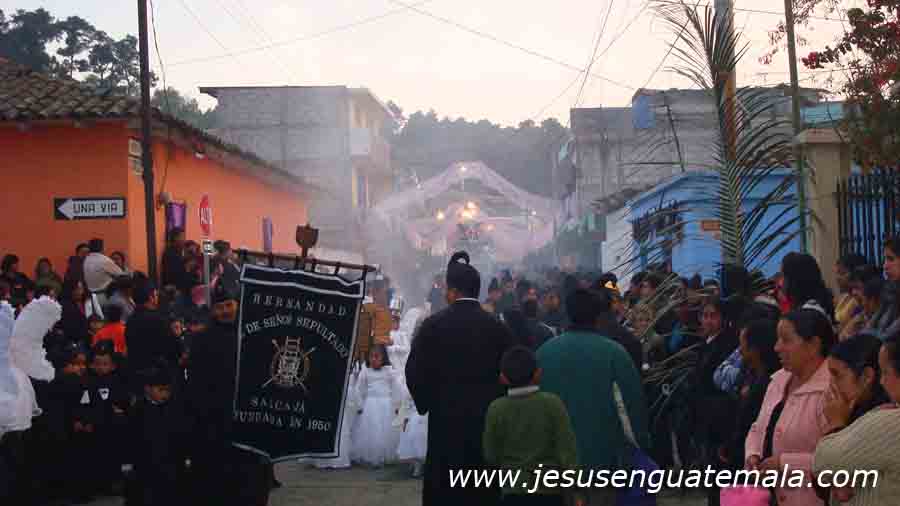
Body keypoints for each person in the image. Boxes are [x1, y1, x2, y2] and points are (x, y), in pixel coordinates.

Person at [406, 251, 516, 506]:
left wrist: (427, 401)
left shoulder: (432, 326)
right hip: (486, 421)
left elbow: (414, 371)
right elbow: (513, 370)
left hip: (445, 421)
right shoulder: (497, 328)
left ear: (452, 292)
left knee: (445, 488)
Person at [537, 289, 650, 506]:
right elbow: (632, 409)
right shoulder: (615, 354)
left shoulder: (543, 354)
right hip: (603, 462)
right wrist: (640, 447)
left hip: (555, 466)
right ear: (598, 316)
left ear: (568, 313)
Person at [188, 281, 270, 506]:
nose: (225, 311)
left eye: (228, 305)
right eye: (219, 307)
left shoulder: (255, 334)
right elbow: (195, 383)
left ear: (237, 304)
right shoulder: (201, 341)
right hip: (215, 423)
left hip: (249, 420)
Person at [745, 305, 834, 506]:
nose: (777, 347)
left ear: (813, 345)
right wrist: (753, 454)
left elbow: (835, 458)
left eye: (786, 340)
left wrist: (784, 464)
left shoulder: (831, 390)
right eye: (778, 340)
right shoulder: (778, 380)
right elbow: (758, 427)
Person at [813, 331, 900, 506]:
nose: (831, 385)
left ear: (866, 377)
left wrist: (836, 425)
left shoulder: (887, 421)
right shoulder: (851, 412)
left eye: (837, 375)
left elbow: (823, 466)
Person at [483, 346, 578, 506]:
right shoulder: (552, 403)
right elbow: (567, 451)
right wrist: (574, 486)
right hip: (549, 491)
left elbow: (491, 455)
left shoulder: (496, 408)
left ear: (503, 378)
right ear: (538, 374)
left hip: (513, 489)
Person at [719, 319, 780, 472]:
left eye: (743, 346)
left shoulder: (770, 384)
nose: (740, 351)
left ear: (755, 349)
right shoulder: (750, 375)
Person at [128, 365, 190, 506]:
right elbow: (133, 437)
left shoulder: (174, 408)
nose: (165, 394)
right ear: (147, 389)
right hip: (146, 465)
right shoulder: (138, 409)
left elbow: (181, 434)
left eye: (168, 390)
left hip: (170, 464)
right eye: (161, 390)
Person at [89, 342, 131, 492]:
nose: (101, 367)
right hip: (96, 424)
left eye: (105, 364)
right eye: (97, 364)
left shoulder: (118, 381)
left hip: (113, 425)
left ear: (112, 366)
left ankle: (114, 480)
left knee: (114, 454)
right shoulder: (88, 382)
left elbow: (123, 401)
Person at [351, 345, 402, 467]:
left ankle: (384, 455)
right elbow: (359, 389)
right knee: (372, 431)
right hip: (370, 405)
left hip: (386, 405)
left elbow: (396, 389)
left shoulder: (389, 371)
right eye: (371, 356)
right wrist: (359, 405)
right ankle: (372, 456)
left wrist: (397, 405)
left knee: (385, 431)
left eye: (377, 356)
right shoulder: (366, 371)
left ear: (383, 358)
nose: (373, 359)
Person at [126, 281, 178, 379]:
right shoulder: (158, 320)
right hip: (157, 374)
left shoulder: (130, 321)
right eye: (156, 295)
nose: (157, 298)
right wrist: (177, 335)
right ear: (151, 298)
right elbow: (172, 347)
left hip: (135, 372)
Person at [781, 252, 835, 320]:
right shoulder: (820, 308)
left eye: (783, 276)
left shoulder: (797, 319)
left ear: (793, 281)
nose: (780, 282)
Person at [834, 254, 868, 337]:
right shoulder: (844, 297)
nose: (837, 278)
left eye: (842, 273)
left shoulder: (859, 300)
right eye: (837, 273)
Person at [161, 228, 188, 296]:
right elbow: (172, 274)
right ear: (176, 238)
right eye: (182, 237)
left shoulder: (180, 251)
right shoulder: (169, 253)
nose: (184, 240)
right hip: (173, 290)